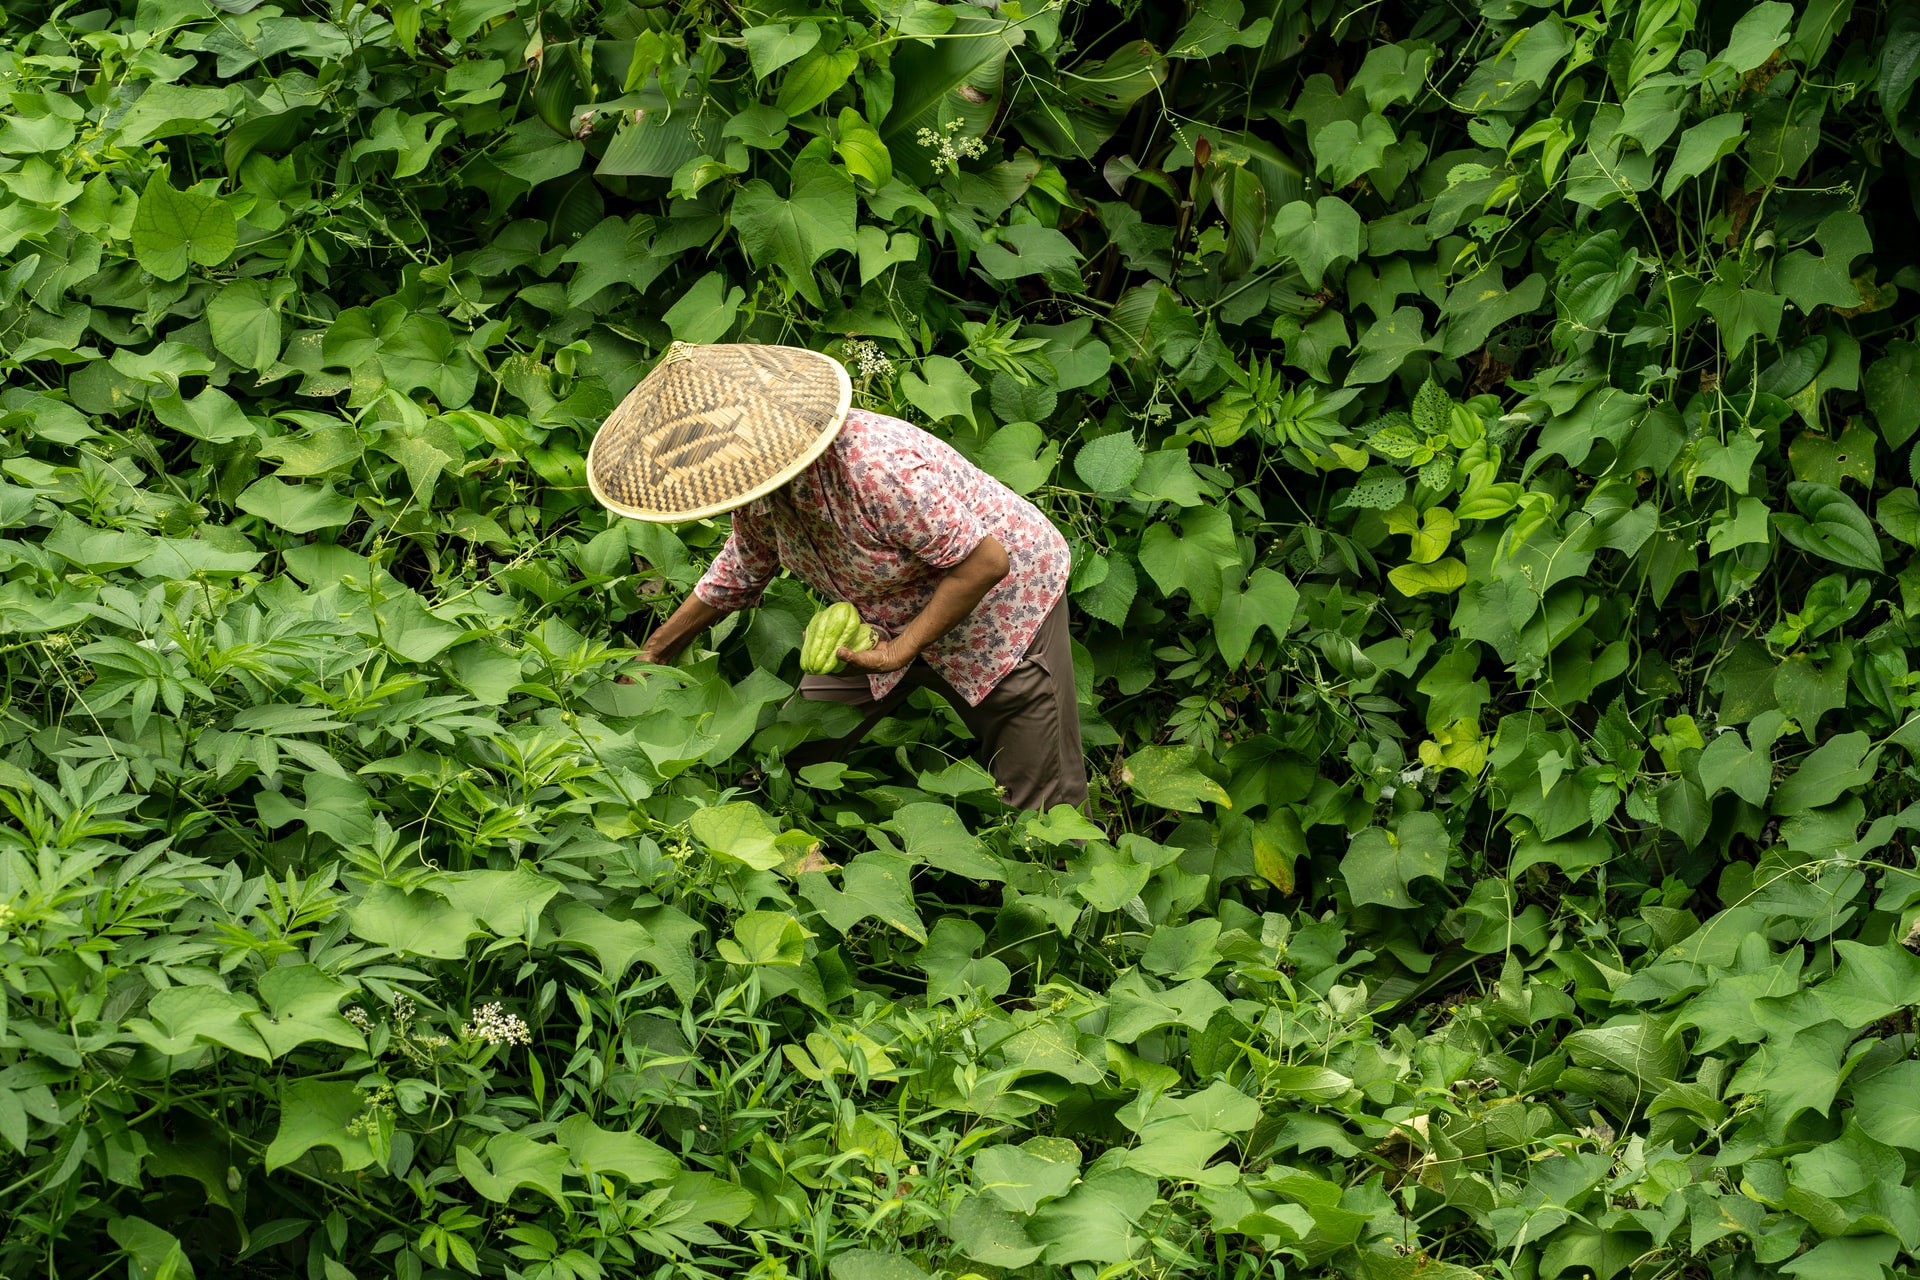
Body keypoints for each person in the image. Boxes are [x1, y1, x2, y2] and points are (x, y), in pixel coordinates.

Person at [586, 341, 1088, 813]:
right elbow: (744, 564)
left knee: (1040, 798)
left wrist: (898, 651)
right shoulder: (756, 482)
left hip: (998, 612)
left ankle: (1061, 886)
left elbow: (985, 563)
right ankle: (776, 834)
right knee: (792, 746)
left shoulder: (874, 468)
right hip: (877, 618)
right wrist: (656, 650)